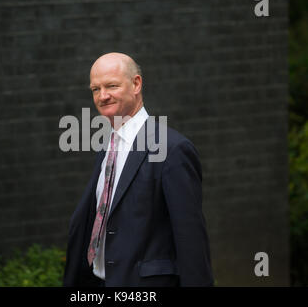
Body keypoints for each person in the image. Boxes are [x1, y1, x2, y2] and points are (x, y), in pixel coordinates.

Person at [63, 52, 213, 287]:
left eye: (111, 86)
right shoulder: (106, 147)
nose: (103, 96)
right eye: (95, 89)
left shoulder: (172, 149)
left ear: (136, 84)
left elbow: (191, 241)